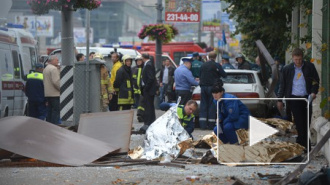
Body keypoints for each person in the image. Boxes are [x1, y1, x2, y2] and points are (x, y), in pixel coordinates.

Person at [277, 48, 320, 151]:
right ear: (292, 59)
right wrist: (279, 99)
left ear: (302, 58)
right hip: (294, 99)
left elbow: (315, 81)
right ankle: (304, 146)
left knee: (306, 122)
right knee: (300, 123)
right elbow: (282, 85)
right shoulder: (287, 69)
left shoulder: (309, 67)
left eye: (300, 59)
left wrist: (314, 92)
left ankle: (302, 145)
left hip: (306, 98)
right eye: (296, 59)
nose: (298, 62)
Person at [199, 51, 227, 130]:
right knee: (212, 105)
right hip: (212, 88)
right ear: (215, 57)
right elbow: (224, 75)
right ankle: (211, 125)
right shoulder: (217, 65)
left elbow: (199, 75)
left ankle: (203, 125)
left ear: (208, 56)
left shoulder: (203, 65)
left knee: (203, 105)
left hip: (203, 87)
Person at [139, 53, 157, 133]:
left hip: (148, 90)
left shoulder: (148, 65)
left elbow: (150, 78)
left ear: (143, 58)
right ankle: (149, 121)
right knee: (148, 106)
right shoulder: (148, 64)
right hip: (148, 89)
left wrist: (146, 87)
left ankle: (149, 122)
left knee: (149, 106)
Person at [43, 55, 60, 124]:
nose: (58, 61)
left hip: (48, 93)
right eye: (57, 60)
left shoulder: (46, 68)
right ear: (52, 60)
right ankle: (54, 125)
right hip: (55, 93)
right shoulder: (53, 69)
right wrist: (62, 89)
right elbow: (56, 81)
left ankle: (48, 125)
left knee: (49, 111)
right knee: (56, 111)